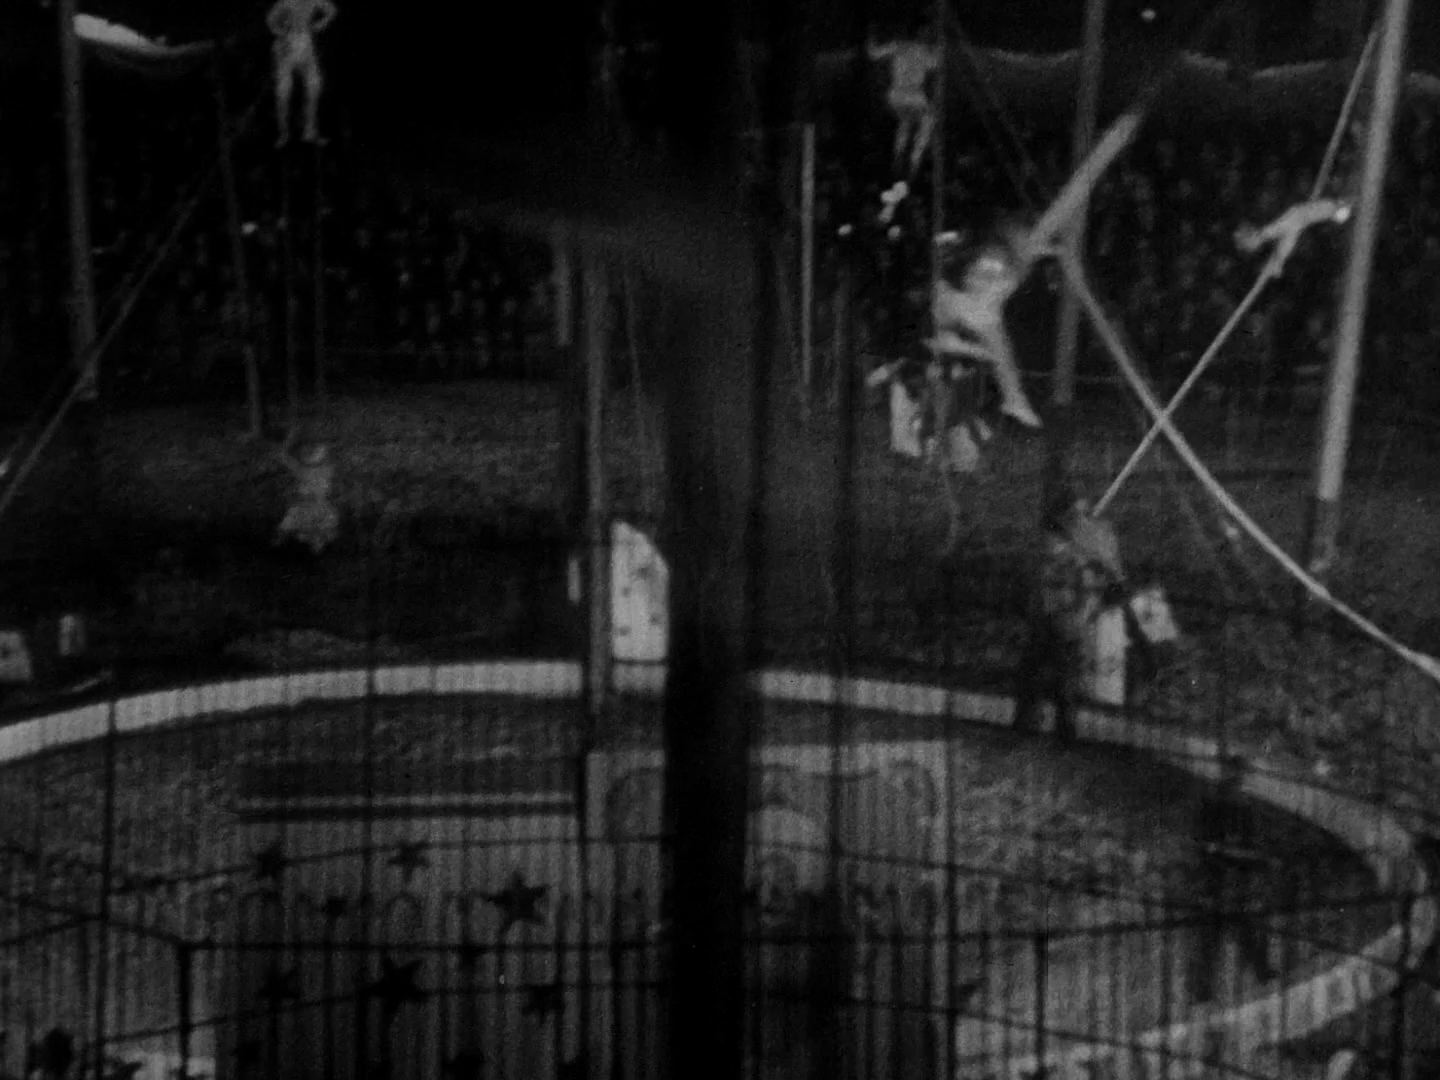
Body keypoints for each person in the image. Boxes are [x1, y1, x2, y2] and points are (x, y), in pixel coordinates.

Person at [1012, 497, 1125, 740]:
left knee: (1063, 681)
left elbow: (1088, 595)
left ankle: (1064, 728)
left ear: (1057, 538)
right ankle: (1029, 722)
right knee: (1033, 676)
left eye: (1048, 538)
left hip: (1065, 625)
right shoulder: (1046, 561)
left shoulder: (1076, 563)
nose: (1044, 543)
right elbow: (1036, 591)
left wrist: (1079, 620)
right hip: (1044, 622)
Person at [929, 225, 1044, 429]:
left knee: (993, 336)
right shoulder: (971, 290)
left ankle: (1014, 401)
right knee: (988, 329)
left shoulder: (997, 275)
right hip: (959, 308)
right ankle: (1014, 401)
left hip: (965, 309)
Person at [267, 0, 338, 147]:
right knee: (283, 91)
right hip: (286, 45)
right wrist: (281, 33)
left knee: (314, 86)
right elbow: (270, 20)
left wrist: (322, 23)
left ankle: (309, 130)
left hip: (305, 42)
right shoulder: (285, 3)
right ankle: (284, 133)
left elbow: (331, 9)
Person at [866, 35, 940, 176]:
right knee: (928, 120)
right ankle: (915, 158)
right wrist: (937, 47)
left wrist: (871, 37)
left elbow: (873, 54)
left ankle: (899, 153)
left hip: (896, 95)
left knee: (906, 121)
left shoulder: (897, 46)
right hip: (914, 95)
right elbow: (936, 63)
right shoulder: (923, 51)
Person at [274, 438, 340, 554]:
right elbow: (330, 515)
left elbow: (289, 521)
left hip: (307, 491)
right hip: (316, 490)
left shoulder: (302, 525)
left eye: (314, 544)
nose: (316, 541)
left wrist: (281, 536)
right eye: (319, 543)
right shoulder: (327, 524)